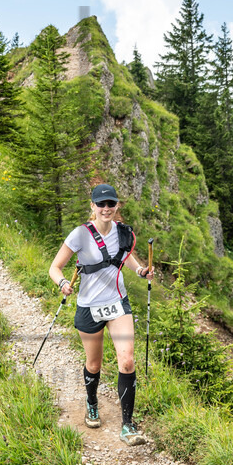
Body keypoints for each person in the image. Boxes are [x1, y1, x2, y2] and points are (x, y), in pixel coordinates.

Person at [49, 183, 154, 446]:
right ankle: (92, 401)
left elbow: (125, 257)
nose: (106, 208)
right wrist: (63, 283)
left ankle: (128, 424)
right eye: (101, 204)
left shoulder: (124, 232)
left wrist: (140, 270)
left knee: (127, 361)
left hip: (118, 303)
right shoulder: (80, 235)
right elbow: (55, 267)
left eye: (111, 204)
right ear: (92, 207)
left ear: (117, 206)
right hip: (89, 306)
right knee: (94, 365)